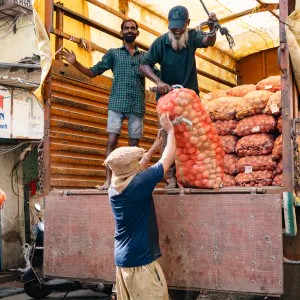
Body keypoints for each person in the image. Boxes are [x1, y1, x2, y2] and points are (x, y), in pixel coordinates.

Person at [60, 19, 160, 190]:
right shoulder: (113, 54)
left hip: (137, 105)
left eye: (133, 28)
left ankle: (131, 181)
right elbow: (93, 72)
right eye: (126, 28)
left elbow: (158, 75)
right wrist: (74, 62)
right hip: (116, 104)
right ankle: (108, 181)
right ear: (121, 33)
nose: (129, 30)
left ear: (137, 33)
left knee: (134, 147)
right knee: (111, 141)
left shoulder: (145, 56)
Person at [140, 5, 218, 188]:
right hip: (167, 100)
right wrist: (158, 81)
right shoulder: (160, 42)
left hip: (190, 98)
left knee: (193, 136)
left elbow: (209, 41)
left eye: (180, 26)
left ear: (187, 23)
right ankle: (171, 178)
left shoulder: (192, 37)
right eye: (172, 26)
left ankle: (194, 176)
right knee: (167, 135)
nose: (176, 30)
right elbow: (144, 65)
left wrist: (214, 28)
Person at [105, 113, 175, 300]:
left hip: (123, 261)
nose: (140, 162)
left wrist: (155, 146)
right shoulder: (138, 185)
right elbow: (167, 160)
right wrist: (171, 131)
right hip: (140, 263)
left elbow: (140, 164)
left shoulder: (115, 186)